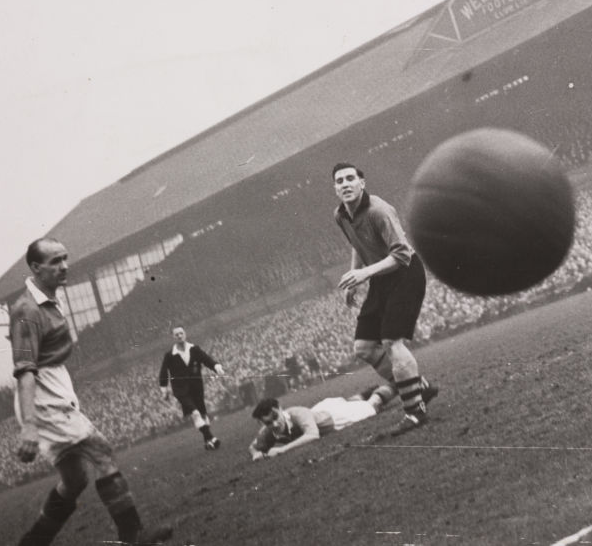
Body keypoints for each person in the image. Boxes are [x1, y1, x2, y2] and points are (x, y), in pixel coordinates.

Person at [11, 237, 171, 546]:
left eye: (65, 258)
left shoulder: (46, 299)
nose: (64, 266)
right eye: (55, 261)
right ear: (35, 267)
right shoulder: (26, 310)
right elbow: (25, 370)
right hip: (44, 397)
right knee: (102, 450)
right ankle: (133, 534)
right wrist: (29, 425)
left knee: (75, 479)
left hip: (53, 389)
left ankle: (31, 543)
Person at [332, 162, 438, 436]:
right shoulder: (340, 215)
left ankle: (415, 412)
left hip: (405, 274)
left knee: (391, 341)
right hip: (380, 278)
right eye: (339, 181)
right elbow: (357, 245)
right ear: (335, 188)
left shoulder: (379, 211)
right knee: (364, 348)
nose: (345, 184)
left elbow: (402, 254)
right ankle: (419, 387)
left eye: (350, 179)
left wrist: (365, 273)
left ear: (362, 183)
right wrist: (355, 276)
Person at [248, 385, 395, 460]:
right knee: (347, 401)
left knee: (372, 405)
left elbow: (312, 435)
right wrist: (256, 454)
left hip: (335, 418)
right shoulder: (268, 431)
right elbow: (253, 446)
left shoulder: (297, 413)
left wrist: (283, 450)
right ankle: (364, 392)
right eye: (268, 423)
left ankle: (397, 384)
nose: (274, 424)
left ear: (280, 409)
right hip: (319, 411)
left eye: (275, 417)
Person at [158, 326, 224, 450]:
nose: (179, 336)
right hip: (181, 390)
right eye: (176, 334)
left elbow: (206, 359)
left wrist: (216, 366)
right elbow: (163, 372)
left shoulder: (194, 349)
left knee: (203, 414)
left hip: (196, 387)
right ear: (173, 337)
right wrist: (164, 389)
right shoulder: (170, 355)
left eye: (181, 333)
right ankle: (212, 438)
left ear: (185, 334)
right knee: (195, 413)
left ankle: (207, 442)